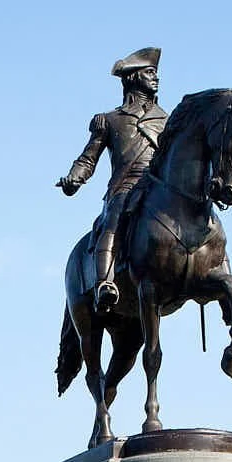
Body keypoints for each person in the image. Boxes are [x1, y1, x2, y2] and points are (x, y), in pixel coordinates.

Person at [57, 47, 166, 313]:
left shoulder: (167, 120)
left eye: (155, 73)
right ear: (134, 77)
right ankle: (104, 282)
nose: (156, 78)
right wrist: (74, 178)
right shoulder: (110, 120)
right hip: (126, 186)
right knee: (113, 220)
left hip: (160, 185)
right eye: (149, 72)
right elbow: (88, 159)